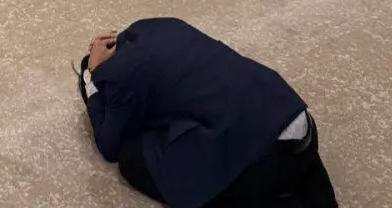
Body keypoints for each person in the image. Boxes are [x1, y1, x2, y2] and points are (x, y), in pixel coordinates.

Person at [77, 17, 338, 208]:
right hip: (296, 118)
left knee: (134, 159)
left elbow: (109, 145)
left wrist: (94, 75)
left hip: (268, 157)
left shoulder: (120, 76)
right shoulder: (155, 27)